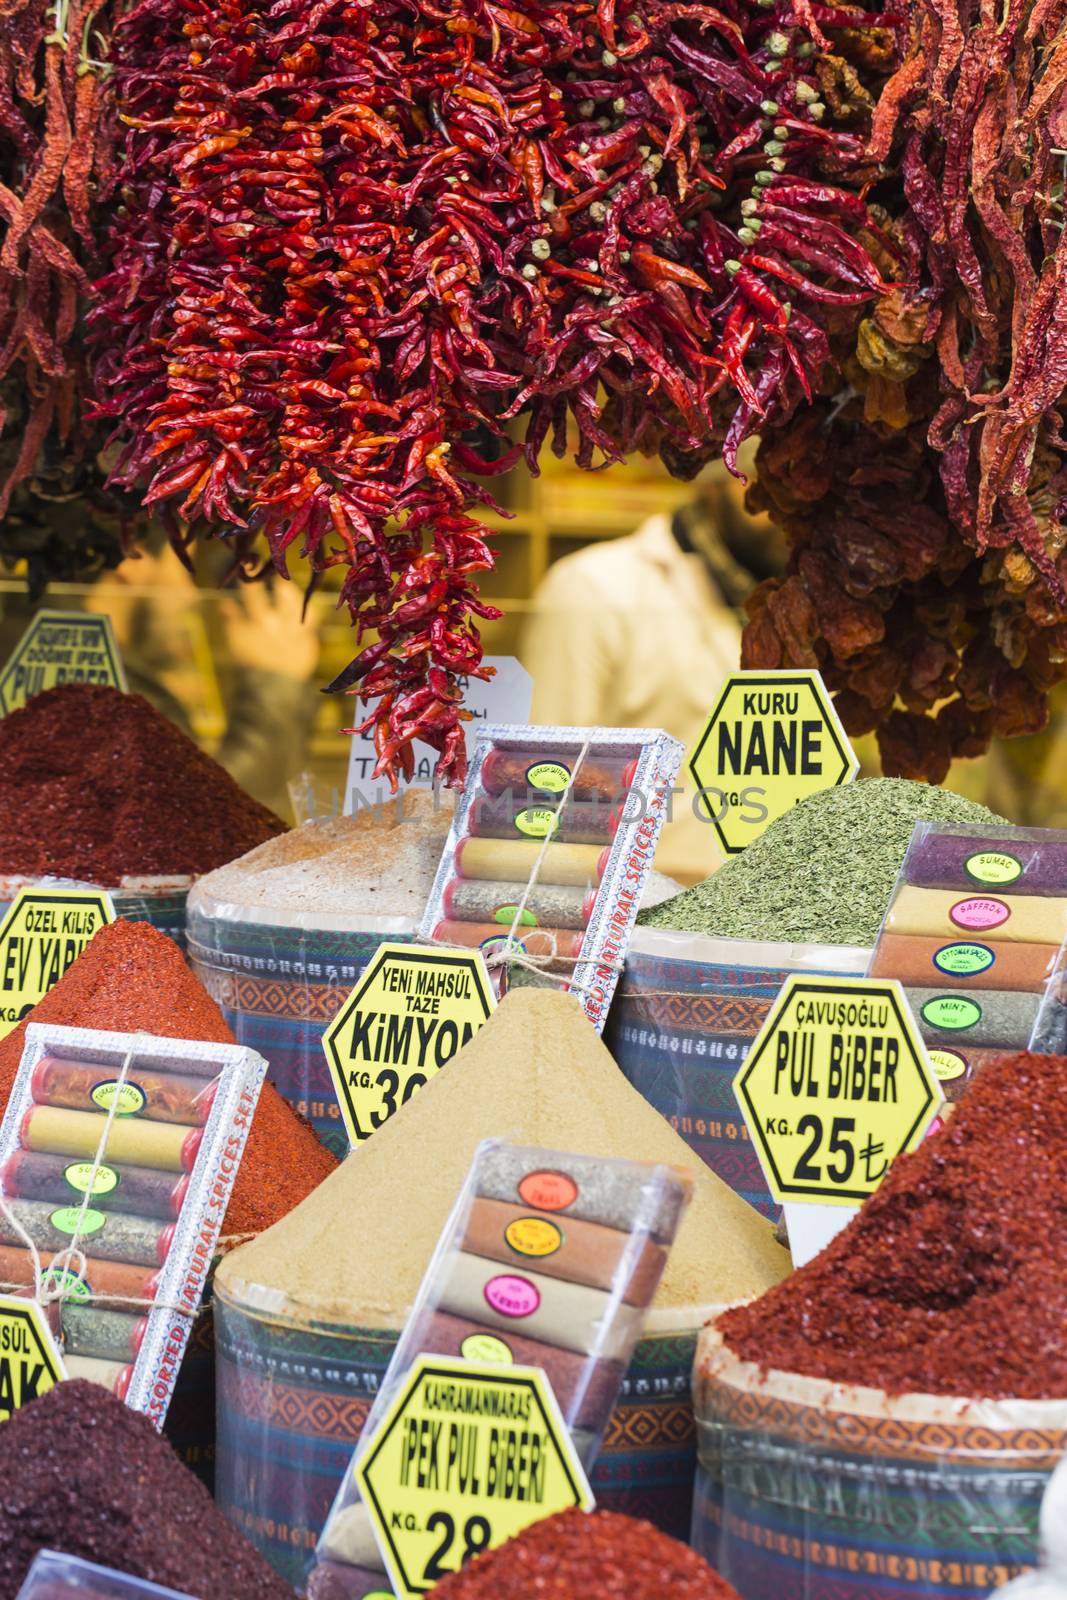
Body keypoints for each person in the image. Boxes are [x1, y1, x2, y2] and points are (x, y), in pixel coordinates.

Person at [520, 457, 784, 885]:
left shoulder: (801, 597)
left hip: (772, 914)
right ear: (715, 481)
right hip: (637, 910)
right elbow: (546, 784)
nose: (788, 507)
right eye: (768, 481)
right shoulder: (593, 588)